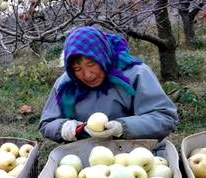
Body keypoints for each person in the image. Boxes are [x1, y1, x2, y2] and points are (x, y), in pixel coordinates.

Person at [39, 26, 178, 151]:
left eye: (92, 63)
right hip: (87, 155)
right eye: (77, 68)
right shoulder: (66, 84)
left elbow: (164, 118)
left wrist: (122, 127)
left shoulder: (135, 74)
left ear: (102, 56)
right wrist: (64, 128)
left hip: (138, 152)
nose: (87, 75)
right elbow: (48, 122)